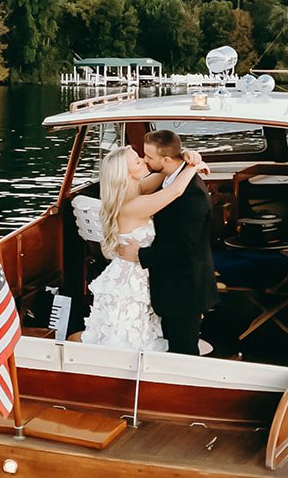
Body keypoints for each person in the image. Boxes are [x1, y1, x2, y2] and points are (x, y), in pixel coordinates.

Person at [80, 144, 207, 353]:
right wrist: (195, 166)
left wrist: (183, 156)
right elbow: (175, 190)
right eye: (137, 161)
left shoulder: (136, 189)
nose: (144, 161)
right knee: (127, 338)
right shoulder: (133, 206)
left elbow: (166, 171)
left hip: (133, 272)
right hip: (130, 281)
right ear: (125, 174)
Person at [136, 129, 219, 355]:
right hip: (171, 284)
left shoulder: (193, 194)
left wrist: (140, 255)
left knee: (183, 350)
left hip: (185, 287)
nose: (145, 160)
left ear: (166, 159)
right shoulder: (168, 178)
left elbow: (183, 247)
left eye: (149, 157)